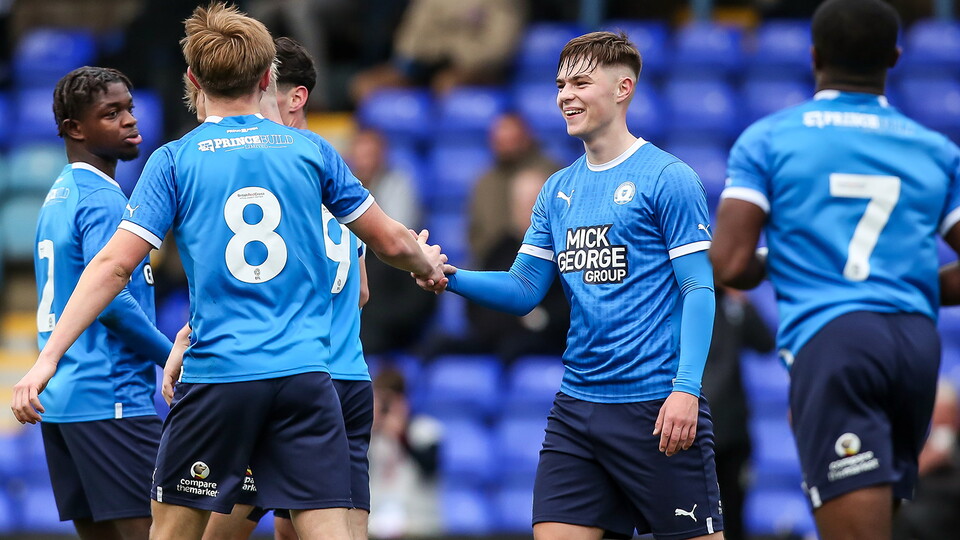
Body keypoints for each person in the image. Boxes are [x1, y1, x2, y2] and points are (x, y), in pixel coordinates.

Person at [11, 4, 446, 540]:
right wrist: (425, 262)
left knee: (172, 532)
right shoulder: (312, 150)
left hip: (220, 379)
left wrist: (47, 359)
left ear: (191, 80)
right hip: (305, 377)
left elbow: (113, 265)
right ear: (267, 79)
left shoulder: (173, 159)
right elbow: (388, 242)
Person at [418, 31, 722, 540]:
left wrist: (686, 390)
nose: (565, 95)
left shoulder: (669, 178)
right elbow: (523, 289)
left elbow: (699, 289)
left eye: (581, 82)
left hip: (655, 408)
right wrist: (448, 277)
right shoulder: (556, 189)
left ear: (623, 88)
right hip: (577, 412)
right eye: (560, 83)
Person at [709, 1, 960, 539]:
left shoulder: (770, 139)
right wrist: (913, 283)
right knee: (881, 522)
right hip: (915, 347)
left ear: (814, 55)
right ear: (894, 57)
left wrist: (791, 266)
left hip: (837, 342)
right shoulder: (935, 149)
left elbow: (730, 263)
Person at [195, 35, 375, 540]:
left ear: (294, 97)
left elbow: (259, 286)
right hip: (346, 376)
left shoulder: (269, 178)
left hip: (283, 374)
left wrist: (188, 339)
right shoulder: (332, 173)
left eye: (260, 87)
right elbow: (360, 293)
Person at [14, 66, 173, 540]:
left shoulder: (59, 194)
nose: (129, 120)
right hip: (111, 397)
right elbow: (113, 300)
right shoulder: (103, 199)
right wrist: (172, 356)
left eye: (129, 108)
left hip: (64, 404)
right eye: (111, 113)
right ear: (75, 129)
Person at [346, 128, 436, 355]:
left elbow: (398, 237)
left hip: (390, 278)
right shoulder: (341, 187)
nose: (365, 162)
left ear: (382, 155)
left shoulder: (399, 184)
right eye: (360, 154)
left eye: (370, 154)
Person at [700, 287, 775, 540]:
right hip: (691, 430)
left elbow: (765, 342)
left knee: (733, 516)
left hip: (732, 432)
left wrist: (742, 302)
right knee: (690, 517)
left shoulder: (733, 304)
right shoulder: (678, 301)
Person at [349, 0, 525, 102]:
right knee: (364, 85)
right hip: (424, 64)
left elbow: (497, 49)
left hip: (475, 68)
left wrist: (454, 53)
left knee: (444, 82)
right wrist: (426, 54)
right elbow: (408, 39)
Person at [469, 112, 559, 265]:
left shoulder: (552, 175)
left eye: (511, 139)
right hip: (494, 263)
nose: (505, 145)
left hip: (544, 261)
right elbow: (475, 231)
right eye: (500, 140)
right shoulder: (485, 181)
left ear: (525, 138)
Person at [367, 368, 442, 538]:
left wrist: (401, 435)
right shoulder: (368, 435)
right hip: (375, 519)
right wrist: (372, 424)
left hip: (418, 519)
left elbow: (430, 468)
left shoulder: (427, 430)